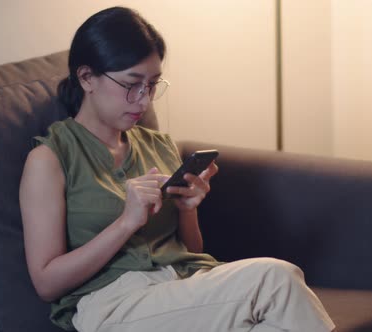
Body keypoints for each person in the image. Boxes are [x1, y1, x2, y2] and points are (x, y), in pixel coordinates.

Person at [19, 6, 335, 332]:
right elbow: (47, 283)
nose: (144, 100)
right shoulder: (49, 159)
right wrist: (126, 223)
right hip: (111, 304)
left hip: (183, 287)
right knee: (275, 278)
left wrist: (187, 210)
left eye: (153, 84)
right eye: (132, 84)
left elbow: (190, 252)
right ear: (87, 78)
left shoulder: (158, 145)